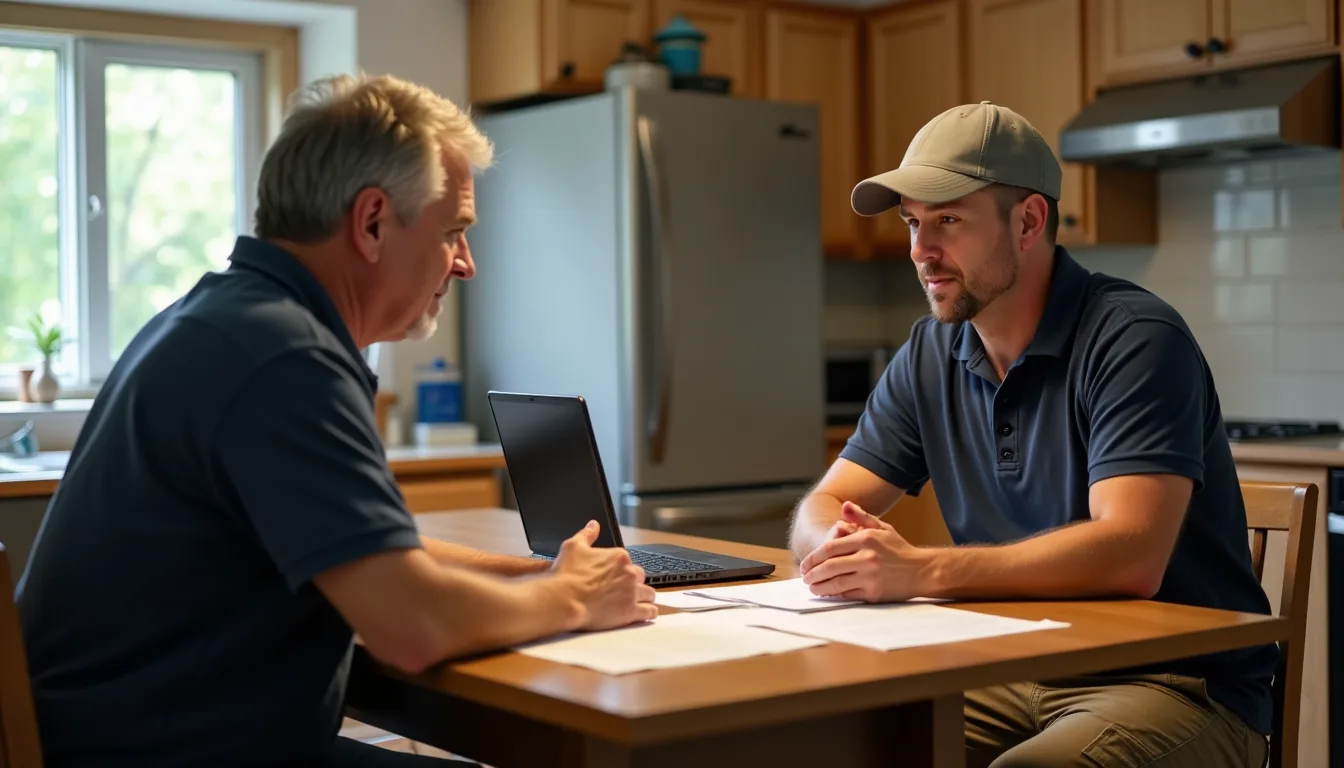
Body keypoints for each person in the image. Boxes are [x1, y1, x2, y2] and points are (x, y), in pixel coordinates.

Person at [16, 73, 657, 768]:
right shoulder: (282, 357)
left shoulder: (228, 319)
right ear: (373, 221)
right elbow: (412, 629)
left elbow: (373, 554)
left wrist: (534, 577)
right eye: (454, 233)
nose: (466, 264)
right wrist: (568, 598)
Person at [788, 102, 1274, 767]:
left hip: (1173, 685)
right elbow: (824, 503)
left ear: (1029, 221)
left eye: (948, 221)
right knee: (836, 740)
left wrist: (919, 570)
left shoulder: (1133, 338)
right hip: (1011, 664)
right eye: (911, 223)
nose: (920, 251)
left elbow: (1131, 554)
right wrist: (838, 551)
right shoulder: (933, 350)